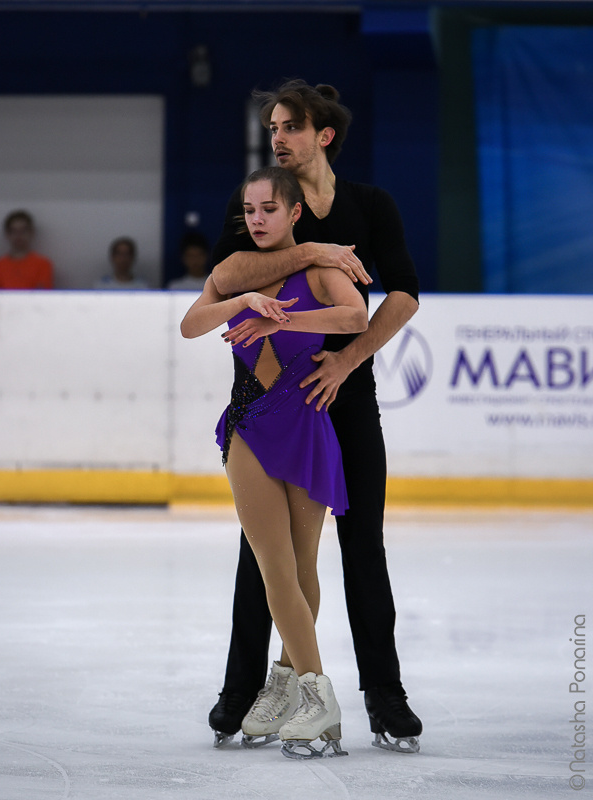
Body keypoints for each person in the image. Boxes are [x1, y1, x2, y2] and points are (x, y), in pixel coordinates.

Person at [208, 79, 423, 754]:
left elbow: (404, 295)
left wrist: (349, 359)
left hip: (345, 399)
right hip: (272, 400)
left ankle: (384, 698)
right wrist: (312, 252)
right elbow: (231, 272)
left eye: (290, 126)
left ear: (323, 135)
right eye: (273, 126)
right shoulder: (262, 206)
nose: (278, 136)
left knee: (362, 546)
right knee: (263, 551)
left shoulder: (369, 206)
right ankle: (246, 692)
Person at [181, 166, 368, 758]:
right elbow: (190, 325)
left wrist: (280, 317)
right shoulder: (235, 272)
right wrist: (243, 302)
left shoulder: (322, 270)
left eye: (269, 209)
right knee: (274, 565)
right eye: (250, 210)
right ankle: (320, 695)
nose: (257, 219)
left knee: (304, 567)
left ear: (295, 214)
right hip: (249, 427)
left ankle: (288, 683)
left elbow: (355, 318)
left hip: (306, 422)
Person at [0, 210, 54, 290]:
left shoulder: (43, 264)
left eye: (23, 231)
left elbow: (43, 296)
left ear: (31, 232)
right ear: (7, 234)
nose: (18, 235)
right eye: (14, 231)